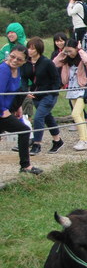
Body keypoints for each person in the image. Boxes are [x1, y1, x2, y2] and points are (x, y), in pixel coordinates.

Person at [0, 44, 42, 174]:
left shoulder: (17, 70)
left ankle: (25, 166)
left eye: (19, 59)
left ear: (24, 61)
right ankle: (25, 166)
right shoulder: (4, 69)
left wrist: (18, 106)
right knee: (24, 130)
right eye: (12, 57)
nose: (14, 60)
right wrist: (3, 111)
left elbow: (13, 91)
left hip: (7, 107)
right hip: (1, 110)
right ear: (9, 55)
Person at [20, 37, 63, 154]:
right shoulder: (26, 63)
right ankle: (57, 141)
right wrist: (26, 91)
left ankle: (36, 144)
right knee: (47, 117)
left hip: (48, 95)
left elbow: (56, 79)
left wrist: (52, 91)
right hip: (35, 95)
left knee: (38, 117)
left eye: (32, 48)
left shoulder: (47, 62)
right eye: (28, 48)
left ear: (39, 49)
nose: (29, 50)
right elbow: (23, 78)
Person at [53, 39, 87, 151]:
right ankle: (86, 139)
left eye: (71, 51)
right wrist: (63, 52)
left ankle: (83, 140)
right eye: (67, 51)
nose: (69, 54)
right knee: (79, 116)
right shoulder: (66, 60)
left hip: (83, 89)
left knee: (75, 114)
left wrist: (79, 49)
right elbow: (55, 62)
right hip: (71, 89)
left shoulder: (83, 57)